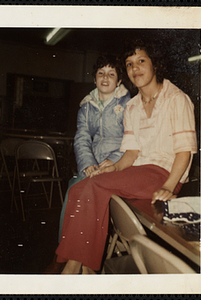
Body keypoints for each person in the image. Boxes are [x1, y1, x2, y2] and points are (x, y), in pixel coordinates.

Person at [55, 39, 198, 274]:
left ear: (155, 65)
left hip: (164, 174)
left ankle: (73, 267)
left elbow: (184, 151)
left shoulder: (177, 99)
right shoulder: (132, 106)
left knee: (95, 185)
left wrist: (169, 187)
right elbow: (131, 152)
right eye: (130, 64)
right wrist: (116, 167)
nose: (135, 68)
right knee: (79, 189)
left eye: (141, 61)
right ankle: (86, 267)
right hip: (138, 172)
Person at [58, 55, 131, 241]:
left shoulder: (128, 105)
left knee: (89, 193)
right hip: (93, 163)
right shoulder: (86, 107)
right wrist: (87, 163)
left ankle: (81, 249)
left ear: (119, 81)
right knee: (73, 187)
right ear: (94, 78)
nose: (105, 78)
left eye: (111, 74)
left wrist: (114, 160)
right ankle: (64, 249)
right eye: (101, 73)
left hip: (119, 163)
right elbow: (82, 138)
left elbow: (131, 138)